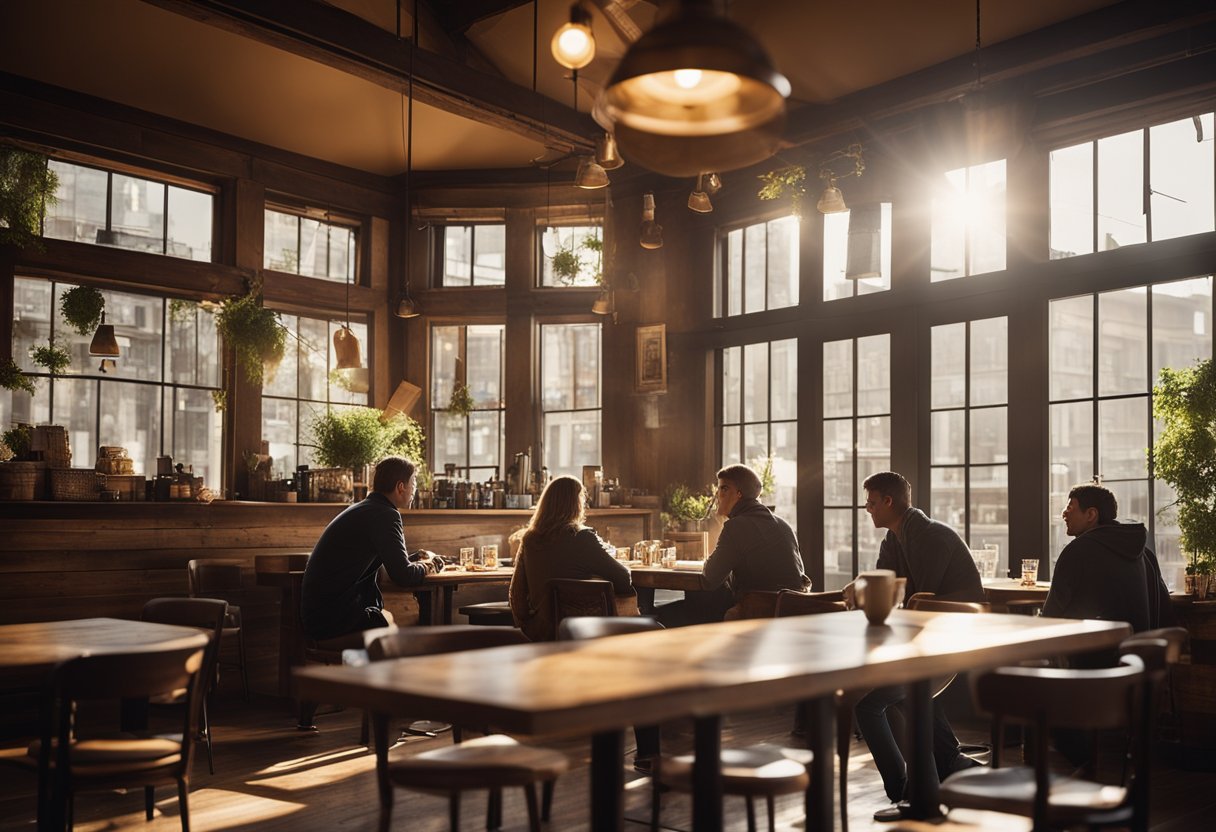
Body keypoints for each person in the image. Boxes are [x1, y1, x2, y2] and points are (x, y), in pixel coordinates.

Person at [845, 471, 983, 822]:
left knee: (868, 704)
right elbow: (887, 589)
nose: (867, 508)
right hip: (924, 641)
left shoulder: (929, 536)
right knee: (905, 695)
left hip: (949, 641)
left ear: (889, 502)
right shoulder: (894, 539)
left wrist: (875, 596)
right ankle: (950, 764)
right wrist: (860, 587)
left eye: (872, 502)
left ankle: (906, 793)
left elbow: (921, 599)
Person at [300, 456, 444, 642]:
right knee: (397, 637)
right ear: (401, 486)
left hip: (320, 615)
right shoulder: (385, 514)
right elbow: (403, 576)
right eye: (413, 482)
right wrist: (429, 565)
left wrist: (415, 559)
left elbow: (387, 566)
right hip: (332, 620)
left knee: (388, 621)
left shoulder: (367, 508)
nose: (414, 489)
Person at [659, 464, 809, 627]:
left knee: (663, 614)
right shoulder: (783, 524)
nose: (718, 495)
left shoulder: (736, 526)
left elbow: (710, 578)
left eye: (724, 489)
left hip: (759, 612)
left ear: (739, 494)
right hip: (792, 612)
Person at [508, 475, 634, 643]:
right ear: (576, 504)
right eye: (581, 498)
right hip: (587, 631)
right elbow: (624, 579)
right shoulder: (582, 538)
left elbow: (517, 592)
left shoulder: (530, 539)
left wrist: (528, 627)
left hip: (542, 632)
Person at [1044, 483, 1176, 640]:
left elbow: (1051, 615)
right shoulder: (1145, 554)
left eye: (1070, 507)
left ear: (1091, 515)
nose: (1064, 513)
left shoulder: (1077, 551)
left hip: (1090, 659)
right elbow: (1165, 614)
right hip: (1138, 657)